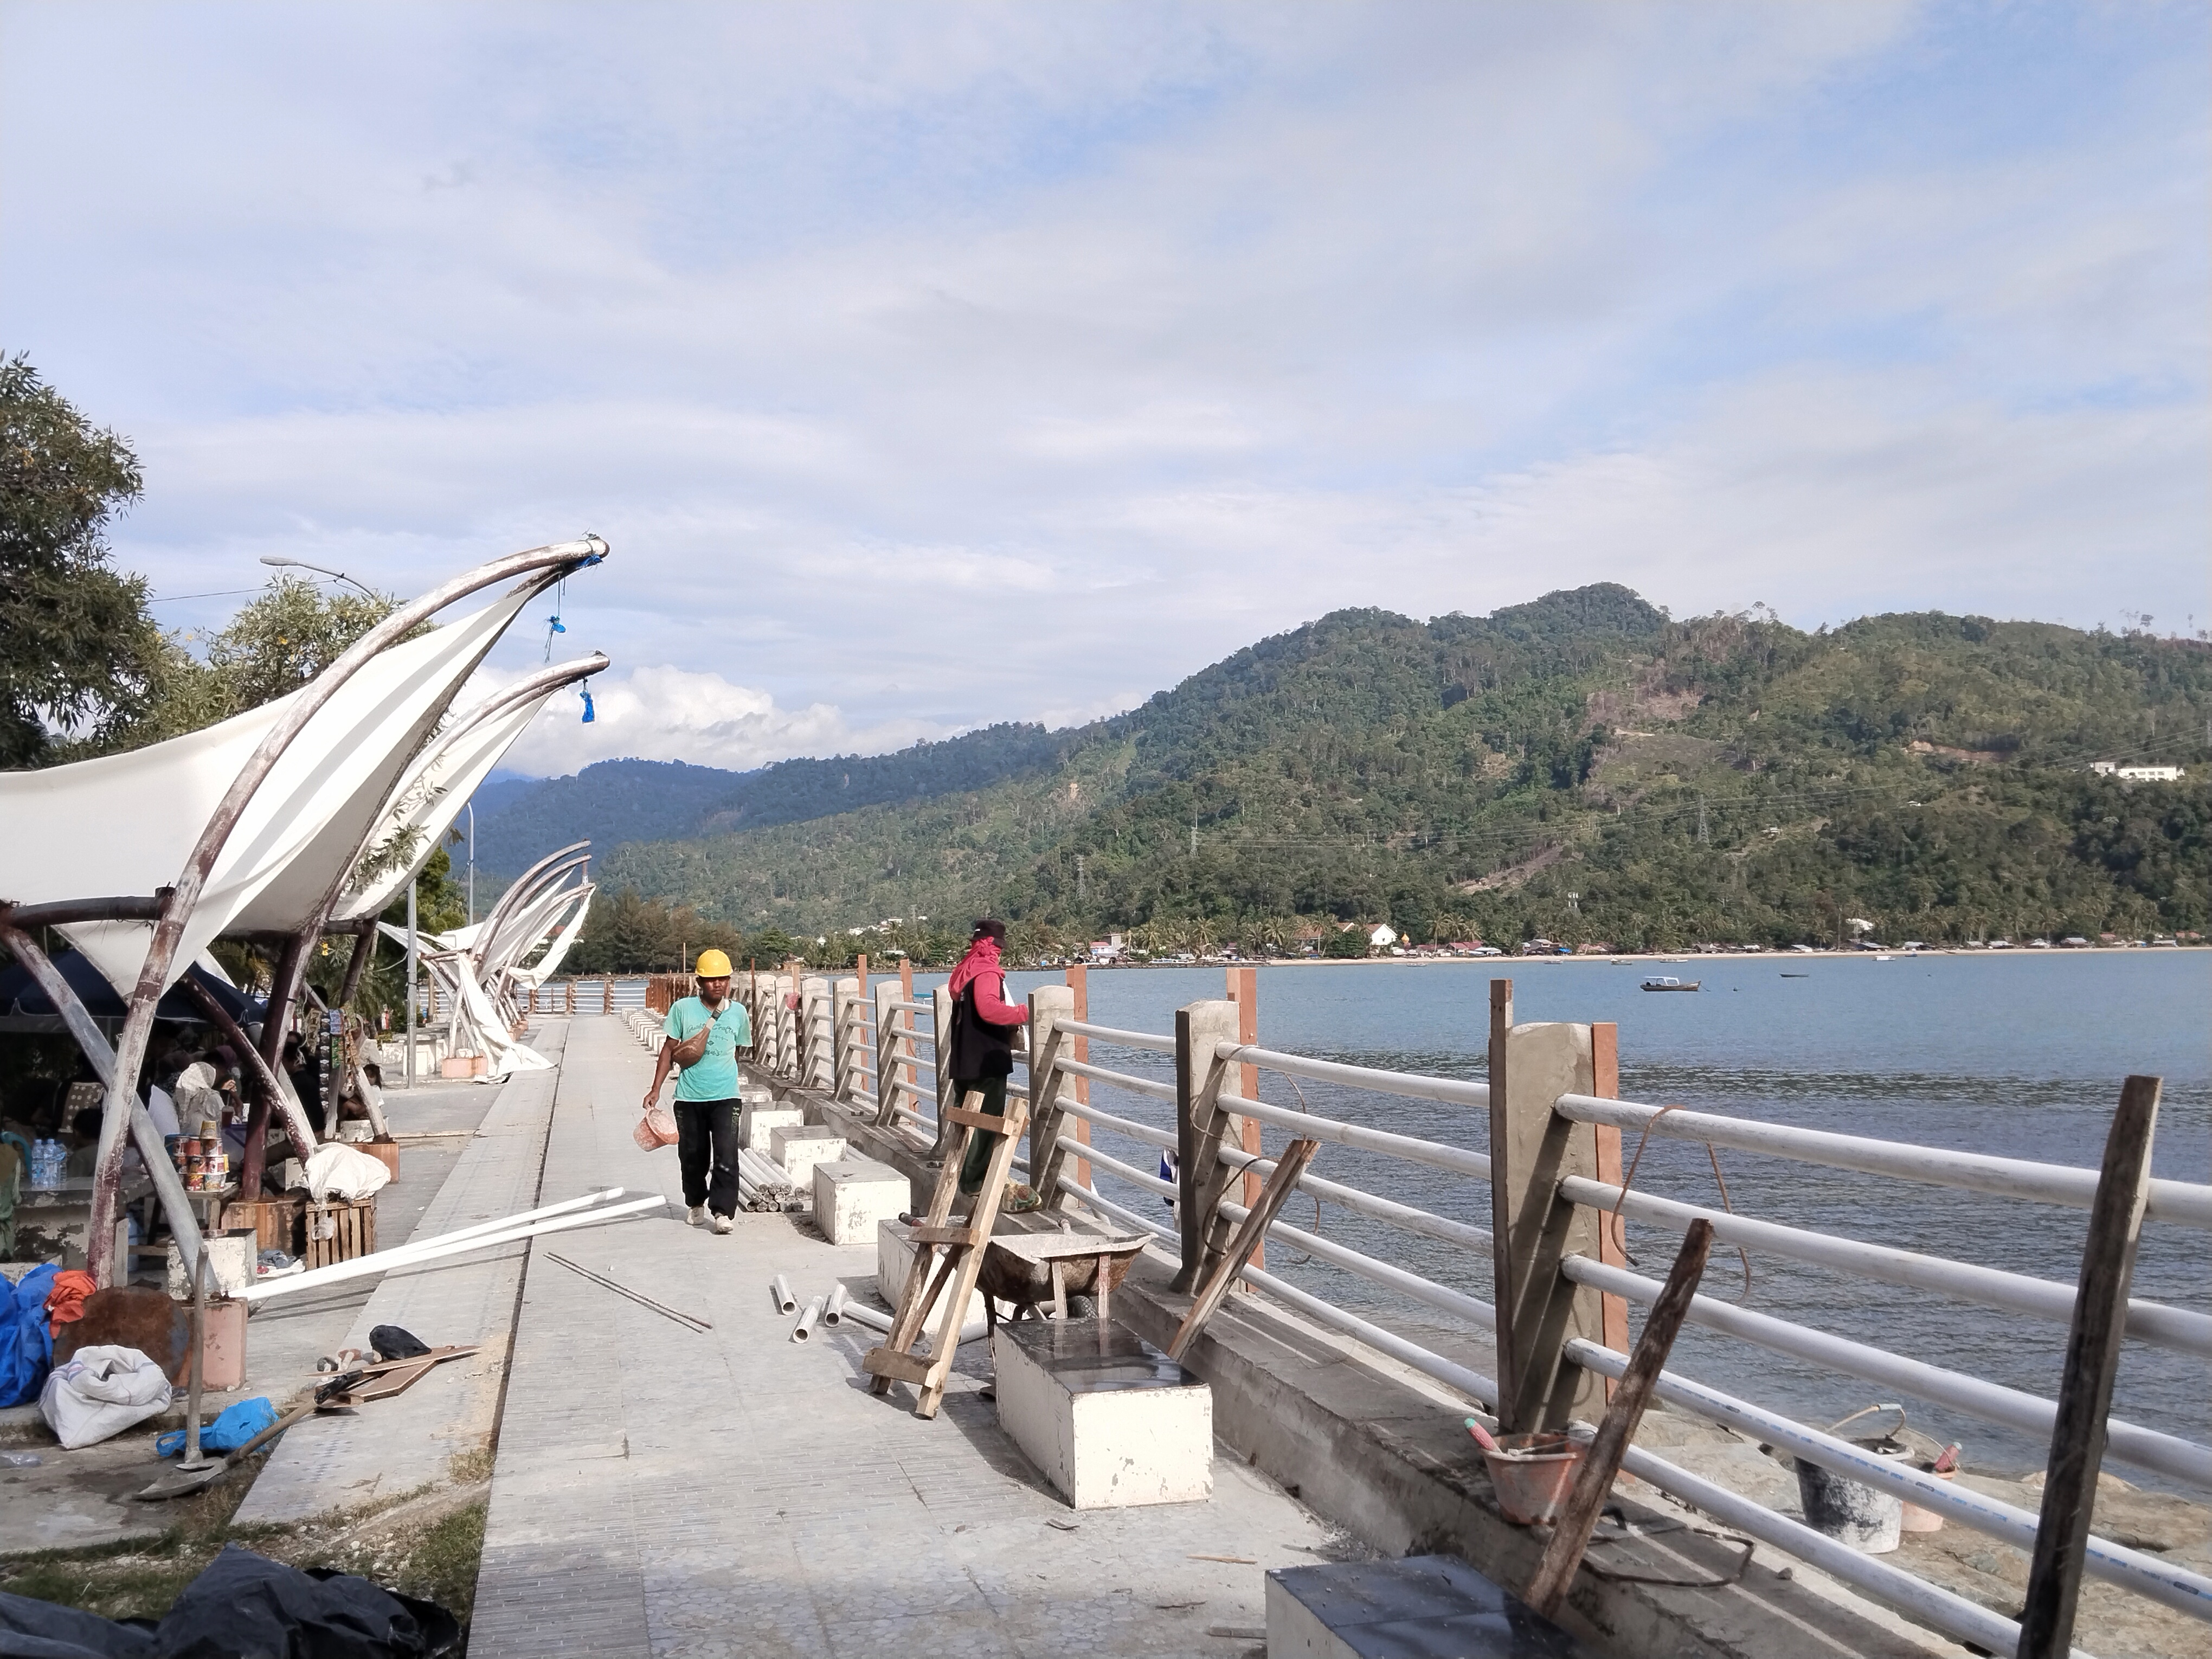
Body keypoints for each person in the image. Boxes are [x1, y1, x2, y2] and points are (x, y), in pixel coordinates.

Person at [643, 949, 752, 1233]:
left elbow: (737, 1052)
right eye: (711, 979)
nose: (718, 985)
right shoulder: (682, 1009)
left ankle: (723, 1212)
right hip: (689, 1098)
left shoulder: (738, 1013)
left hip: (727, 1097)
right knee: (693, 1157)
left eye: (723, 979)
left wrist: (728, 1077)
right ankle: (695, 1203)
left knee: (727, 1156)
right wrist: (655, 1089)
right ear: (699, 982)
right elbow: (668, 1050)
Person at [944, 919, 1028, 1206]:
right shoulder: (987, 972)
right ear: (993, 946)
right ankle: (975, 1182)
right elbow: (989, 1009)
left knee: (967, 1121)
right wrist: (1023, 1013)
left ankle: (961, 1177)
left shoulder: (965, 970)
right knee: (988, 1121)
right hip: (987, 1058)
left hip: (964, 1058)